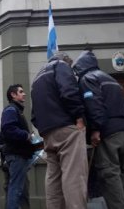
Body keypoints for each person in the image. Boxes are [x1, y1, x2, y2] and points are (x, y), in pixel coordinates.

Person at [72, 50, 124, 209]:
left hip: (108, 133)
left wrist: (96, 129)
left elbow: (94, 104)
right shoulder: (111, 79)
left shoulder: (88, 78)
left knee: (109, 174)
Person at [30, 52, 88, 209]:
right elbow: (69, 91)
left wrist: (43, 129)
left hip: (47, 133)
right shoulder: (61, 66)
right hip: (67, 129)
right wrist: (79, 117)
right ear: (67, 62)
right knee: (74, 176)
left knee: (53, 178)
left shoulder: (37, 76)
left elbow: (33, 114)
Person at [0, 84, 36, 209]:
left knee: (18, 188)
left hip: (18, 155)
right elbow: (8, 129)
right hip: (16, 155)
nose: (24, 93)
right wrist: (26, 135)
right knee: (16, 189)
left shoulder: (16, 110)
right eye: (21, 91)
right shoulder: (11, 109)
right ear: (13, 95)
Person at [0, 131, 30, 209]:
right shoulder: (1, 133)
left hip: (20, 165)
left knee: (24, 189)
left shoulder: (21, 133)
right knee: (9, 190)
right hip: (8, 167)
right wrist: (5, 147)